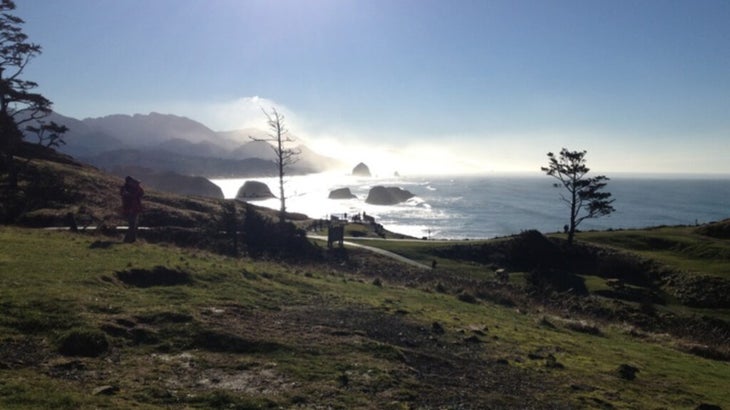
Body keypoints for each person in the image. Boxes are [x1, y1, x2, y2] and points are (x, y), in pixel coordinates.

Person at [120, 176, 144, 242]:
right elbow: (131, 196)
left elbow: (141, 194)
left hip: (135, 209)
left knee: (134, 225)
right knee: (132, 225)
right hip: (130, 209)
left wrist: (137, 187)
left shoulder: (133, 188)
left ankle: (133, 239)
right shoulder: (125, 189)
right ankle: (127, 239)